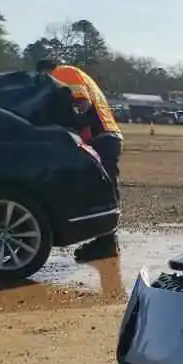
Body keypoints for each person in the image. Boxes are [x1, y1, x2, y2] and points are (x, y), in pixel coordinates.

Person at [36, 59, 123, 262]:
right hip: (105, 135)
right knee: (102, 188)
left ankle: (107, 242)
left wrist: (69, 122)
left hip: (101, 136)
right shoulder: (73, 74)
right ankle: (105, 240)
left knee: (104, 190)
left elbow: (83, 103)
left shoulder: (63, 73)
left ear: (46, 72)